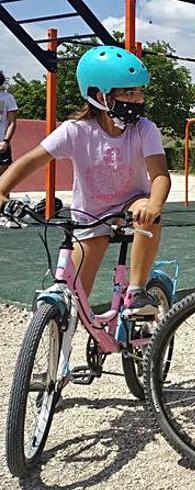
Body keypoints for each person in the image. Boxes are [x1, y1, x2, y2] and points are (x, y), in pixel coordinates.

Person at [0, 46, 168, 315]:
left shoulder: (144, 130)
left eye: (140, 92)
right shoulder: (75, 131)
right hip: (89, 216)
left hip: (130, 205)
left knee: (146, 215)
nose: (138, 100)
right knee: (75, 300)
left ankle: (137, 290)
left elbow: (159, 174)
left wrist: (154, 204)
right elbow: (32, 160)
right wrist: (2, 191)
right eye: (128, 93)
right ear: (99, 96)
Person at [0, 71, 19, 227]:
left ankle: (5, 213)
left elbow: (12, 122)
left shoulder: (7, 98)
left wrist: (5, 141)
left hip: (1, 143)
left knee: (4, 179)